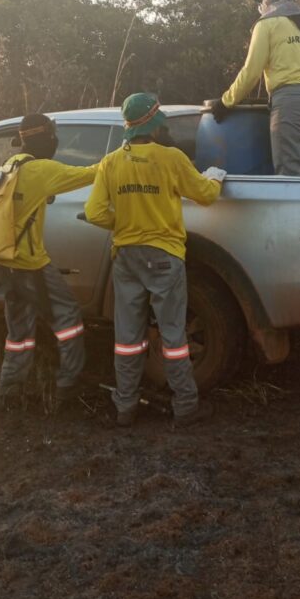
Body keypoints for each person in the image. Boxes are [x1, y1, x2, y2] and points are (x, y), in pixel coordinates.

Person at [84, 93, 225, 427]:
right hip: (164, 257)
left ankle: (125, 407)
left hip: (126, 258)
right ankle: (186, 407)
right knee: (174, 336)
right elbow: (205, 196)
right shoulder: (171, 159)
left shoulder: (112, 162)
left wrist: (122, 223)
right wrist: (216, 176)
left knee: (128, 338)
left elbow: (93, 212)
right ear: (153, 123)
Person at [0, 113, 98, 409]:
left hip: (4, 260)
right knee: (68, 315)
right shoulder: (42, 170)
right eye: (52, 137)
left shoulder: (9, 166)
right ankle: (69, 383)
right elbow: (91, 174)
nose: (55, 142)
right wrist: (122, 157)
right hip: (30, 263)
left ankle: (8, 391)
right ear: (45, 139)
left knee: (18, 330)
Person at [211, 0, 300, 176]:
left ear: (265, 3)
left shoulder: (266, 23)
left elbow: (251, 72)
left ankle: (294, 209)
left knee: (291, 173)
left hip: (292, 101)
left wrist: (226, 102)